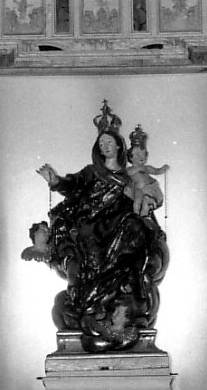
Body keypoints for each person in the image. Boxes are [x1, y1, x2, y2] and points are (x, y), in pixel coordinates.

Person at [33, 100, 168, 351]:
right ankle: (92, 298)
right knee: (89, 239)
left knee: (133, 227)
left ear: (119, 145)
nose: (105, 146)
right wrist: (55, 181)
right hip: (92, 223)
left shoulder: (129, 175)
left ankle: (125, 289)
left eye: (109, 142)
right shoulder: (90, 172)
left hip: (121, 222)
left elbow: (146, 194)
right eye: (101, 143)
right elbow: (72, 186)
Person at [125, 127, 169, 217]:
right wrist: (138, 168)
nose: (141, 157)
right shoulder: (131, 169)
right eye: (137, 154)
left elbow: (156, 171)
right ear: (130, 157)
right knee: (137, 201)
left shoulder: (146, 168)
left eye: (143, 154)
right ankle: (136, 215)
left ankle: (144, 216)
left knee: (146, 202)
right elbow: (127, 173)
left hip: (149, 189)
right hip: (138, 189)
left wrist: (163, 169)